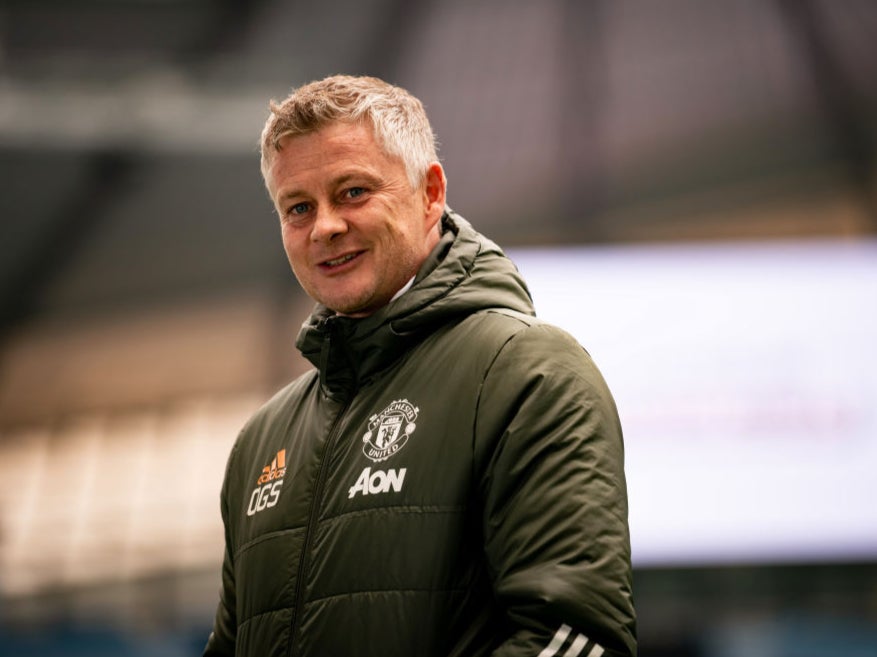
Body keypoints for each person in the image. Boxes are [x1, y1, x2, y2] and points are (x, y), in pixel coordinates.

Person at [203, 74, 636, 657]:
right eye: (298, 207)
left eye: (353, 192)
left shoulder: (527, 373)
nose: (325, 227)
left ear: (430, 194)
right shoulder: (263, 439)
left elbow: (576, 638)